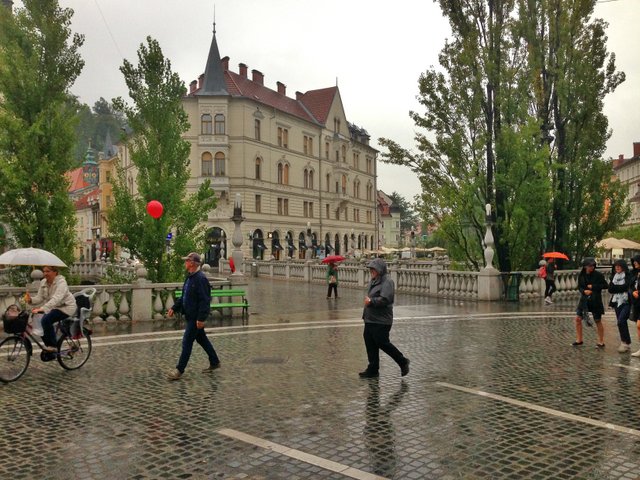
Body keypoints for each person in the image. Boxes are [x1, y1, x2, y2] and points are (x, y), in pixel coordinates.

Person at [166, 252, 220, 380]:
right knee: (202, 339)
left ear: (192, 263)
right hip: (191, 316)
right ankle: (215, 361)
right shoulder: (190, 277)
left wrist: (201, 319)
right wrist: (174, 308)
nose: (185, 263)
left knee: (187, 342)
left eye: (187, 261)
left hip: (195, 318)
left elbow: (205, 300)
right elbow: (184, 296)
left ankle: (179, 370)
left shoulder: (200, 279)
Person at [359, 258, 410, 378]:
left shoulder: (387, 282)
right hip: (370, 318)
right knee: (370, 342)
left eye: (373, 269)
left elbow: (386, 299)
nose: (371, 271)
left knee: (382, 342)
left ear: (380, 270)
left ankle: (402, 361)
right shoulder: (373, 281)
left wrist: (371, 301)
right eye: (370, 269)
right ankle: (373, 369)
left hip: (381, 320)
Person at [25, 265, 76, 353]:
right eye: (44, 271)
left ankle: (53, 346)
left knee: (46, 319)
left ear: (55, 272)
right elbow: (39, 297)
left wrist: (43, 308)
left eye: (48, 271)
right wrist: (31, 300)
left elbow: (56, 298)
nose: (45, 273)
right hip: (54, 307)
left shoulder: (61, 282)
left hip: (66, 307)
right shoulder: (43, 282)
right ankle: (48, 345)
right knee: (38, 320)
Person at [573, 257, 608, 348]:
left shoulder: (598, 275)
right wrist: (584, 291)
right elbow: (580, 287)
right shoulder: (582, 275)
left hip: (595, 300)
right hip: (584, 300)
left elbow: (605, 285)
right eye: (590, 265)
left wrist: (593, 286)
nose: (592, 267)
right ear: (585, 266)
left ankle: (601, 341)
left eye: (593, 265)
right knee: (577, 319)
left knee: (597, 320)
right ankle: (579, 339)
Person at [608, 259, 632, 353]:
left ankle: (624, 343)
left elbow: (627, 286)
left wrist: (616, 288)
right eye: (615, 266)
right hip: (616, 301)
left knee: (621, 321)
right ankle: (627, 342)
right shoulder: (613, 276)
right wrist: (620, 288)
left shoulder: (628, 275)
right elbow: (610, 289)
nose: (617, 267)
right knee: (621, 322)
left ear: (623, 267)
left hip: (626, 301)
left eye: (619, 266)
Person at [629, 255, 640, 357]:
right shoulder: (634, 273)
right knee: (638, 326)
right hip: (637, 303)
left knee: (639, 325)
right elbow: (631, 286)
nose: (634, 263)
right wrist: (633, 292)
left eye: (636, 261)